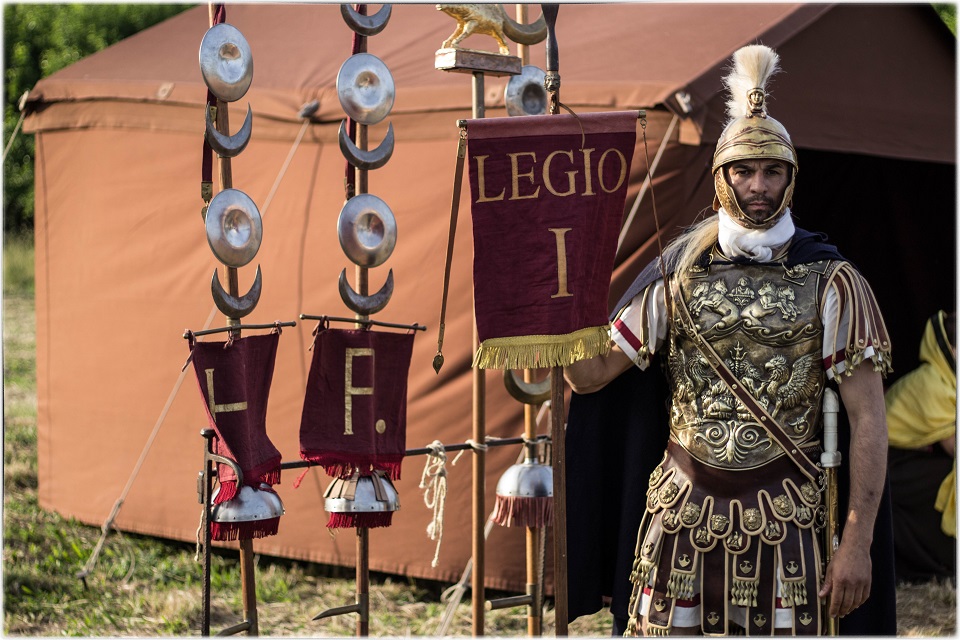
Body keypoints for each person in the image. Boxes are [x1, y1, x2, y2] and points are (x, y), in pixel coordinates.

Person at [563, 44, 897, 636]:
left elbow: (868, 419)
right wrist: (554, 295)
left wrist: (857, 543)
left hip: (787, 522)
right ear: (721, 178)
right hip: (681, 517)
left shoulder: (832, 282)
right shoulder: (677, 275)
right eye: (744, 171)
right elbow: (589, 376)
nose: (758, 186)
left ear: (791, 178)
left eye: (772, 172)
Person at [885, 310, 956, 583]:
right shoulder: (933, 384)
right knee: (947, 481)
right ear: (950, 349)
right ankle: (941, 561)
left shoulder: (947, 379)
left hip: (911, 458)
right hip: (890, 464)